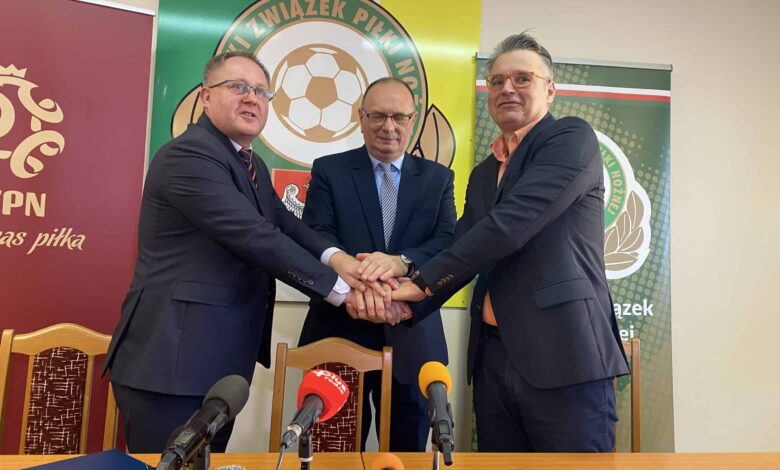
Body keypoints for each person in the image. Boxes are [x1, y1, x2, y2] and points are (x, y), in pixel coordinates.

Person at [101, 51, 379, 453]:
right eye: (238, 87)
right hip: (171, 366)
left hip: (220, 369)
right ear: (205, 96)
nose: (252, 98)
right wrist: (345, 292)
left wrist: (341, 261)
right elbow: (256, 237)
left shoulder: (251, 164)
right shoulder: (188, 155)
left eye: (261, 91)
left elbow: (286, 225)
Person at [380, 33, 630, 452]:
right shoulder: (484, 172)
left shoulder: (570, 138)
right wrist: (405, 300)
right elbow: (462, 244)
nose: (507, 88)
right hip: (492, 359)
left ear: (550, 90)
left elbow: (510, 226)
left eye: (522, 78)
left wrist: (419, 285)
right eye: (496, 81)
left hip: (564, 355)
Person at [298, 77, 457, 451]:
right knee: (333, 451)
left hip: (412, 334)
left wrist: (401, 263)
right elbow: (316, 234)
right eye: (378, 116)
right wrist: (361, 286)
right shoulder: (330, 170)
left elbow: (447, 242)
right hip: (340, 328)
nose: (389, 127)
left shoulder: (438, 178)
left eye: (399, 117)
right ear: (361, 117)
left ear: (413, 120)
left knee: (407, 453)